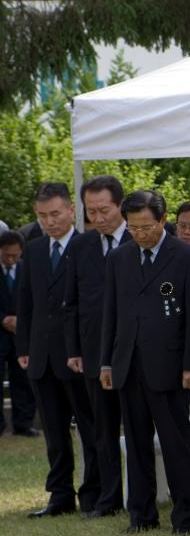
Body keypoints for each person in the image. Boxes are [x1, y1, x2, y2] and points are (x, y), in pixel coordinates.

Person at [99, 190, 190, 534]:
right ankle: (141, 515)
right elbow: (110, 315)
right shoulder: (119, 258)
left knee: (176, 444)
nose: (140, 234)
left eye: (147, 227)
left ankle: (185, 516)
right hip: (129, 364)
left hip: (170, 367)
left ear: (162, 220)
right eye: (133, 228)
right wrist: (106, 363)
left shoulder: (186, 257)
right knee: (137, 443)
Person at [17, 182, 101, 517]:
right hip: (41, 354)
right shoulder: (34, 249)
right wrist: (24, 345)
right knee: (53, 432)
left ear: (71, 211)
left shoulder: (87, 245)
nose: (49, 222)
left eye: (55, 214)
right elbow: (26, 302)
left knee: (90, 428)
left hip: (76, 354)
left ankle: (94, 493)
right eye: (42, 216)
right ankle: (60, 495)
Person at [63, 175, 129, 519]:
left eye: (105, 210)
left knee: (136, 428)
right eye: (92, 212)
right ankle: (108, 497)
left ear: (120, 205)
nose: (99, 218)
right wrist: (74, 349)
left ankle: (142, 497)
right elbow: (72, 302)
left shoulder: (141, 237)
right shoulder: (82, 246)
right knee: (101, 430)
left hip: (135, 352)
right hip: (92, 352)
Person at [0, 230, 36, 437]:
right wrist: (3, 319)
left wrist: (20, 321)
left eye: (15, 255)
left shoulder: (25, 270)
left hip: (20, 334)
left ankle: (24, 423)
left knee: (23, 380)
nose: (11, 259)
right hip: (1, 331)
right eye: (6, 255)